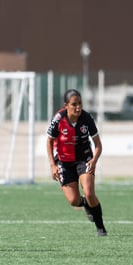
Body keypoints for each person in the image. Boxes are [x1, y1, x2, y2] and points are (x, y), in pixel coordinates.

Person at [46, 89, 107, 237]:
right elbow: (49, 141)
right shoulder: (59, 119)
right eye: (74, 104)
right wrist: (53, 165)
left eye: (80, 103)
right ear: (66, 105)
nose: (78, 107)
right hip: (63, 162)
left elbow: (98, 145)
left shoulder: (86, 118)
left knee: (89, 193)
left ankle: (100, 227)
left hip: (83, 159)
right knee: (74, 200)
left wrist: (94, 160)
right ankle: (85, 204)